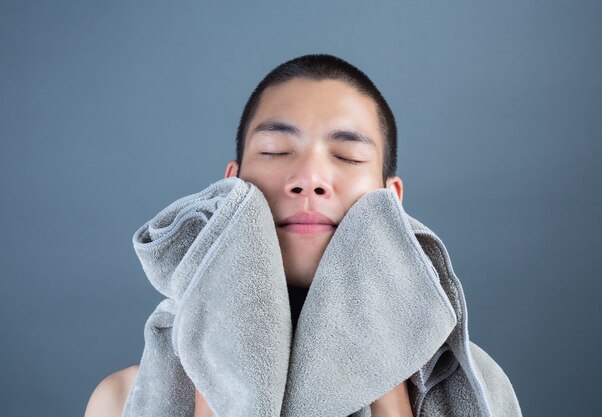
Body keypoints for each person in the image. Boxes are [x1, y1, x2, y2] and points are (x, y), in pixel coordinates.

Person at [84, 54, 482, 417]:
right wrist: (220, 374)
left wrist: (387, 374)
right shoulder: (121, 401)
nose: (309, 179)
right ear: (230, 188)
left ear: (391, 202)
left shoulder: (469, 388)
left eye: (347, 156)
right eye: (275, 150)